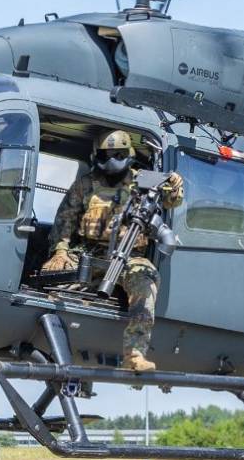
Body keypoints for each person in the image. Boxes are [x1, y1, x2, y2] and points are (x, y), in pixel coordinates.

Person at [41, 129, 183, 372]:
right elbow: (64, 222)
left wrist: (175, 185)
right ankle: (50, 343)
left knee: (146, 285)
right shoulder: (85, 185)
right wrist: (61, 252)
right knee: (50, 279)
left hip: (130, 257)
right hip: (88, 253)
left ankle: (135, 354)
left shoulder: (144, 182)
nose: (112, 160)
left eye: (118, 154)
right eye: (107, 155)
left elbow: (171, 200)